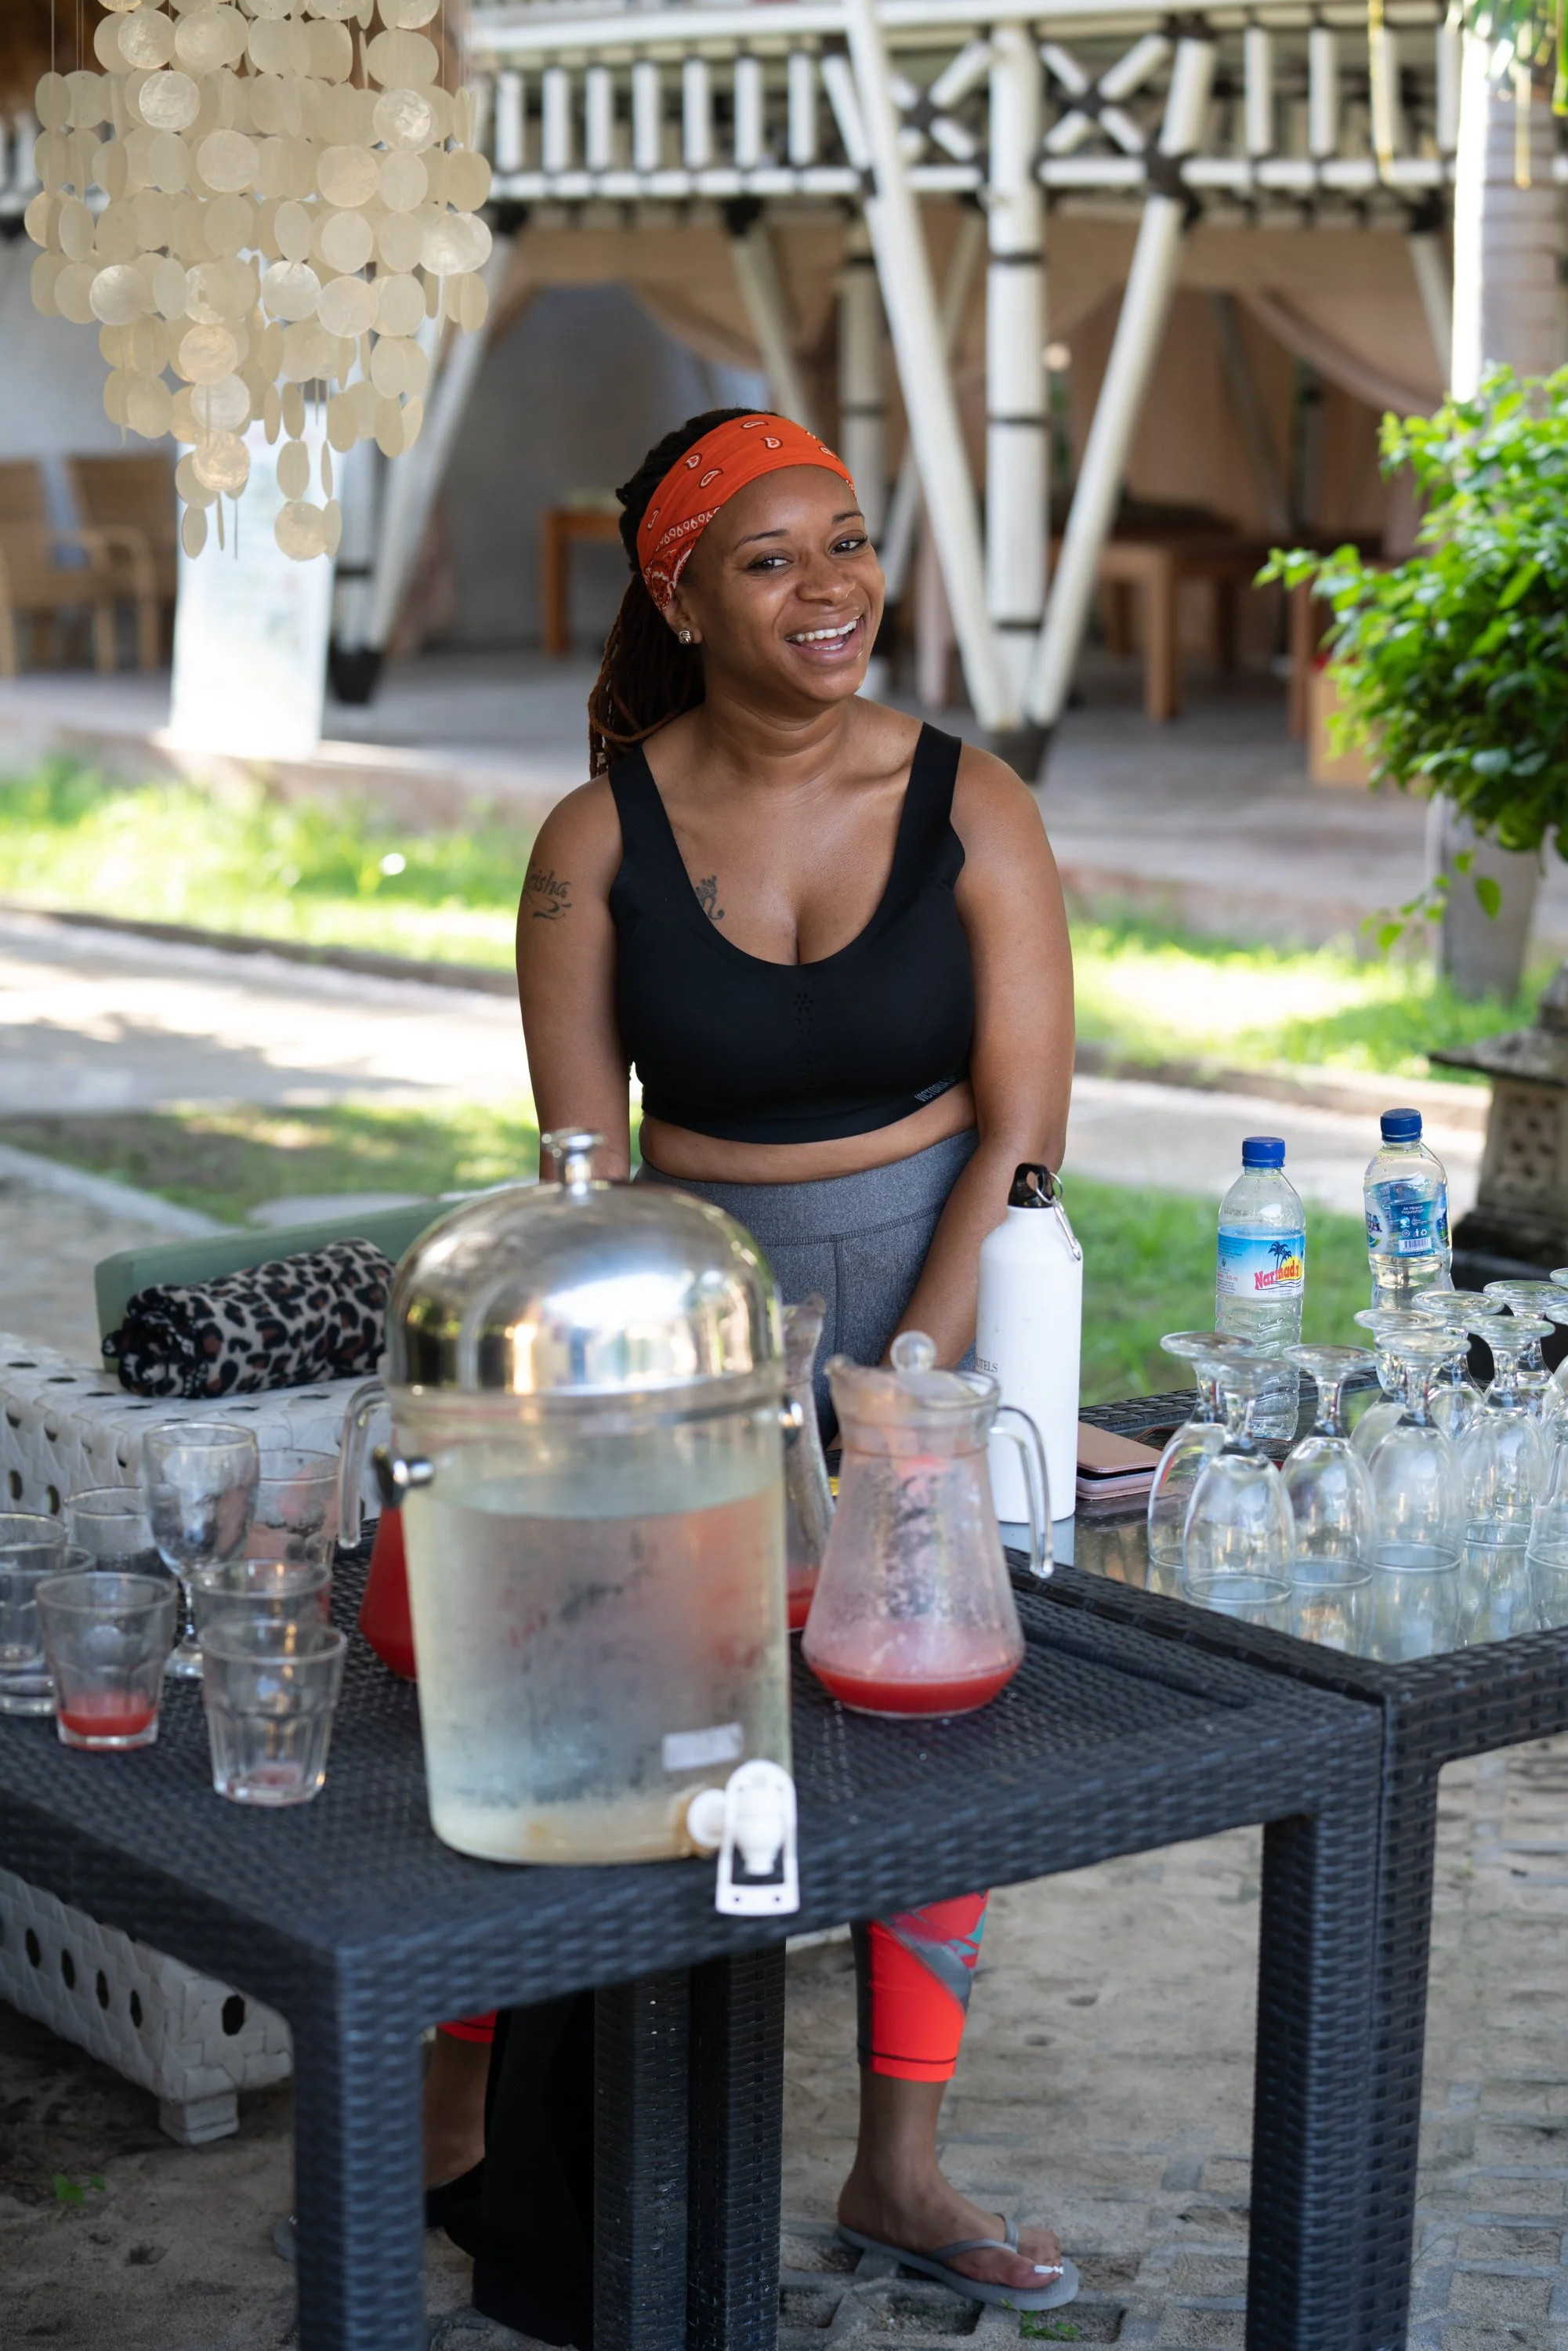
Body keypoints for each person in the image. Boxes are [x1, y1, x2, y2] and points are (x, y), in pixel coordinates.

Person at [433, 408, 1076, 2343]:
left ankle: (899, 2164)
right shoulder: (590, 842)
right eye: (774, 558)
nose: (831, 591)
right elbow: (581, 1174)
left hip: (940, 1284)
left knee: (932, 1714)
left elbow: (1027, 1130)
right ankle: (463, 2146)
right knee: (605, 1713)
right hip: (690, 1312)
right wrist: (662, 1399)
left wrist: (914, 1395)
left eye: (850, 545)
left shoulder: (974, 801)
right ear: (680, 594)